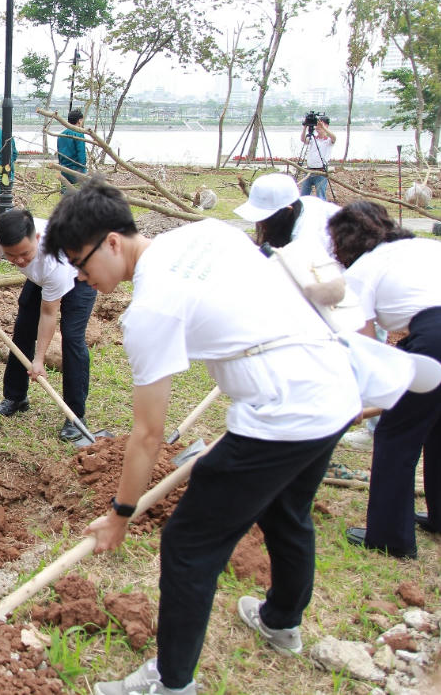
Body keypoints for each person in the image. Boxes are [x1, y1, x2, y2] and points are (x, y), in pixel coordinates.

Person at [41, 177, 360, 695]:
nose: (80, 278)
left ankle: (171, 683)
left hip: (283, 413)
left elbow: (148, 435)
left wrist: (120, 515)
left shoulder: (150, 309)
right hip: (332, 389)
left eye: (82, 262)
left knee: (188, 543)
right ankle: (281, 621)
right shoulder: (207, 232)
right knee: (287, 510)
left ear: (114, 242)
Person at [328, 201, 441, 560]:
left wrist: (355, 401)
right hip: (431, 332)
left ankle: (390, 537)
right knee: (437, 427)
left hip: (435, 335)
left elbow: (363, 347)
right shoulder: (424, 245)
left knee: (396, 434)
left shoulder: (364, 269)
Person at [0, 207, 96, 443]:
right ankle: (15, 397)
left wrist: (39, 360)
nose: (18, 260)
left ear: (37, 239)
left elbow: (49, 313)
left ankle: (75, 416)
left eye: (24, 254)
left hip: (80, 275)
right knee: (23, 330)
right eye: (11, 255)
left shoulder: (54, 259)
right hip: (40, 279)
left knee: (72, 338)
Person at [233, 172, 339, 256]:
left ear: (287, 211)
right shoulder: (301, 204)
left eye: (265, 219)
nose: (261, 224)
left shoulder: (306, 241)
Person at [298, 118, 336, 200]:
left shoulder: (329, 140)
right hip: (308, 171)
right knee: (304, 196)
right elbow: (303, 139)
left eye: (320, 124)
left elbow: (334, 137)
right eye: (317, 125)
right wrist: (305, 127)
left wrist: (323, 127)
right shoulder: (313, 138)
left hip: (321, 172)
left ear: (326, 125)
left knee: (320, 196)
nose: (317, 127)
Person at [56, 109, 87, 187]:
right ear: (79, 121)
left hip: (64, 168)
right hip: (76, 170)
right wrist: (83, 168)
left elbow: (59, 153)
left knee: (66, 193)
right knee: (80, 194)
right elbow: (81, 154)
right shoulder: (79, 134)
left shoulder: (61, 135)